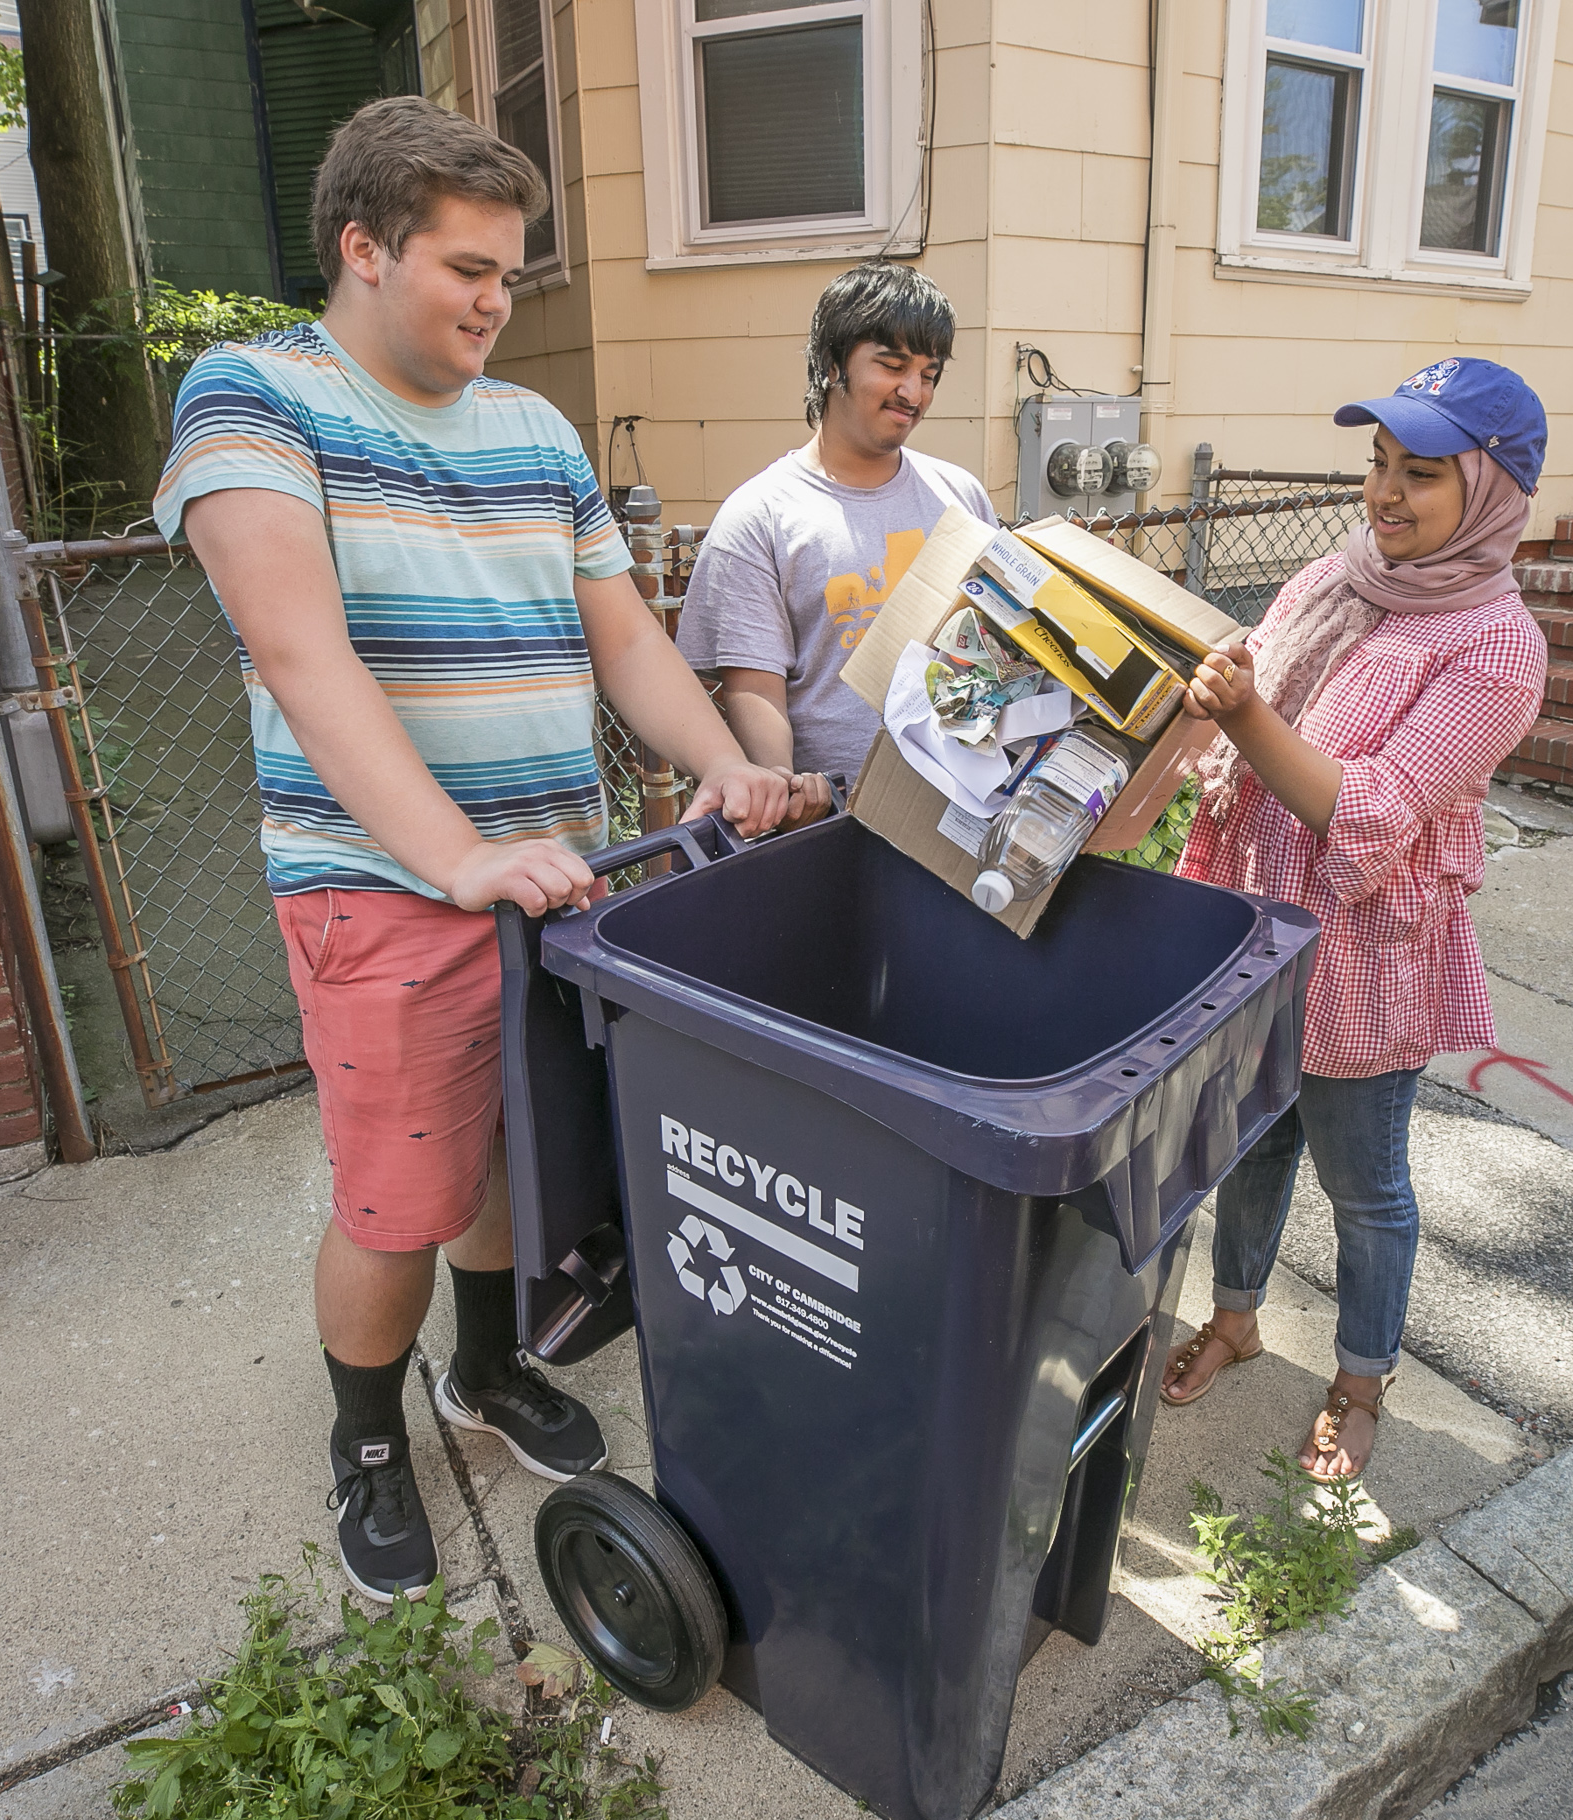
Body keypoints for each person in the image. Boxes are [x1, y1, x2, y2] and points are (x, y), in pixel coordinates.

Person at [153, 97, 789, 1603]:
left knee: (524, 1153)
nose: (499, 302)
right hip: (386, 888)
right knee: (399, 1196)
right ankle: (368, 1437)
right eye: (467, 269)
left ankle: (487, 1368)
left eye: (512, 271)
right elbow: (305, 658)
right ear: (363, 249)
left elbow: (618, 629)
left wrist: (722, 761)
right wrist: (455, 855)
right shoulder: (252, 399)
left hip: (556, 882)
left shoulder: (537, 429)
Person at [1159, 357, 1549, 1484]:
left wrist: (1243, 713)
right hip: (1256, 928)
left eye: (1421, 473)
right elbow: (1259, 680)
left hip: (1365, 955)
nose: (1386, 494)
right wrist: (1221, 682)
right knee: (1249, 1145)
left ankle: (1361, 1380)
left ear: (1489, 492)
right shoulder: (1345, 575)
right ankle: (1236, 1319)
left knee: (1365, 1188)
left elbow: (1365, 806)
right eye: (1377, 464)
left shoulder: (1494, 648)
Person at [676, 262, 996, 816]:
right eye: (893, 366)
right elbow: (753, 687)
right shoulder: (760, 517)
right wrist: (784, 787)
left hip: (963, 807)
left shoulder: (960, 494)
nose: (912, 391)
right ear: (831, 364)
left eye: (929, 374)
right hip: (835, 826)